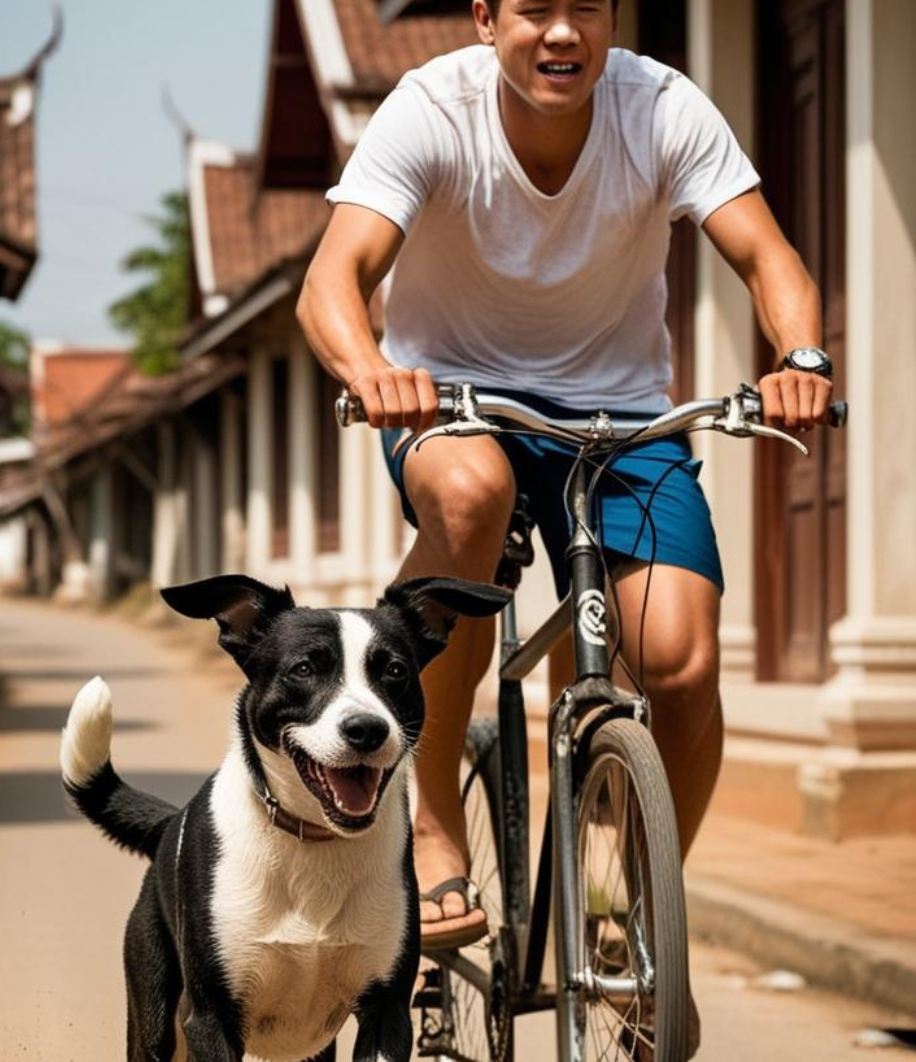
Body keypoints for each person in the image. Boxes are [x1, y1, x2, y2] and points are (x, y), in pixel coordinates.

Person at [296, 0, 834, 982]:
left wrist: (800, 357)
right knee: (469, 498)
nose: (560, 33)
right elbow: (331, 280)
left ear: (613, 20)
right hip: (455, 398)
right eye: (533, 9)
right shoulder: (431, 109)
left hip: (620, 417)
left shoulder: (662, 107)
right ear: (485, 19)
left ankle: (626, 893)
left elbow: (769, 257)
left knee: (677, 663)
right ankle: (433, 821)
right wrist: (371, 369)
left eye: (583, 7)